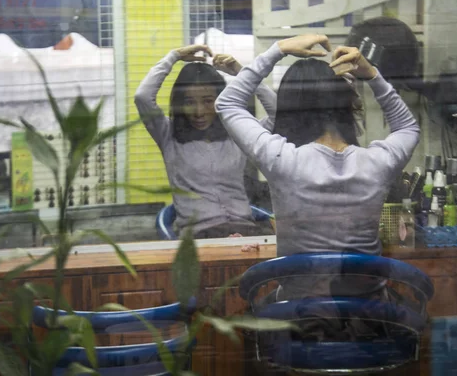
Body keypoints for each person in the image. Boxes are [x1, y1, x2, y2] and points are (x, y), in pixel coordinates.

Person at [215, 34, 421, 336]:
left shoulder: (281, 159)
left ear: (288, 109)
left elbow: (228, 102)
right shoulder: (378, 162)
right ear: (348, 106)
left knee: (245, 319)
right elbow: (408, 126)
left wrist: (278, 50)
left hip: (300, 322)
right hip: (372, 323)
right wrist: (371, 74)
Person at [134, 44, 277, 239]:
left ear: (221, 101)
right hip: (200, 238)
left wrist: (241, 72)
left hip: (246, 232)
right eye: (189, 102)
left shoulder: (237, 134)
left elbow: (278, 113)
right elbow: (142, 97)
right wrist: (173, 56)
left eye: (208, 101)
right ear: (180, 104)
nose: (199, 111)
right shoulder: (168, 134)